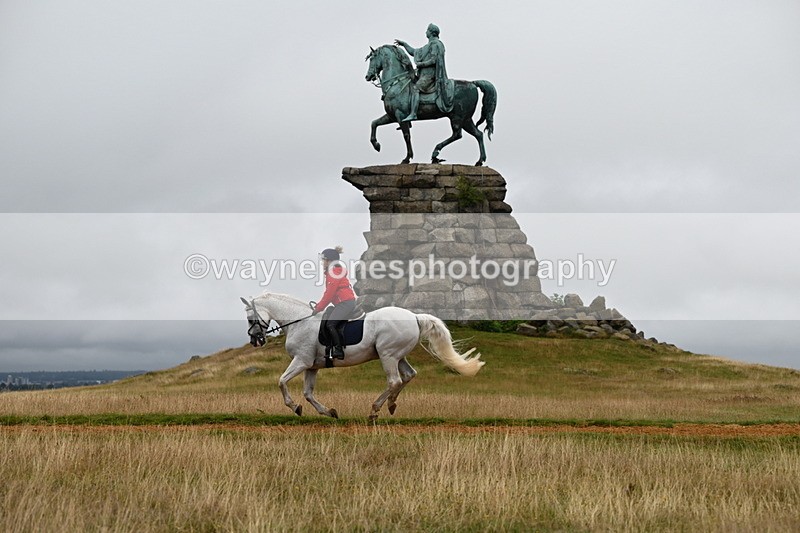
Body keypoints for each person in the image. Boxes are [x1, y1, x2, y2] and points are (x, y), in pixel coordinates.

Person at [394, 22, 454, 121]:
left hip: (430, 76)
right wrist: (404, 44)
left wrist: (421, 64)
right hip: (424, 75)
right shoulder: (428, 46)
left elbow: (434, 60)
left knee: (415, 88)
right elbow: (414, 52)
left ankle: (413, 114)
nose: (426, 32)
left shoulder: (436, 44)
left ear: (431, 32)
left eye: (427, 30)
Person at [313, 246, 357, 360]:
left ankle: (338, 350)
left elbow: (329, 294)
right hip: (343, 303)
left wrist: (318, 308)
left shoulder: (334, 273)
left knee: (330, 324)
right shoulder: (333, 272)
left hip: (345, 303)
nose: (322, 263)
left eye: (324, 260)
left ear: (330, 261)